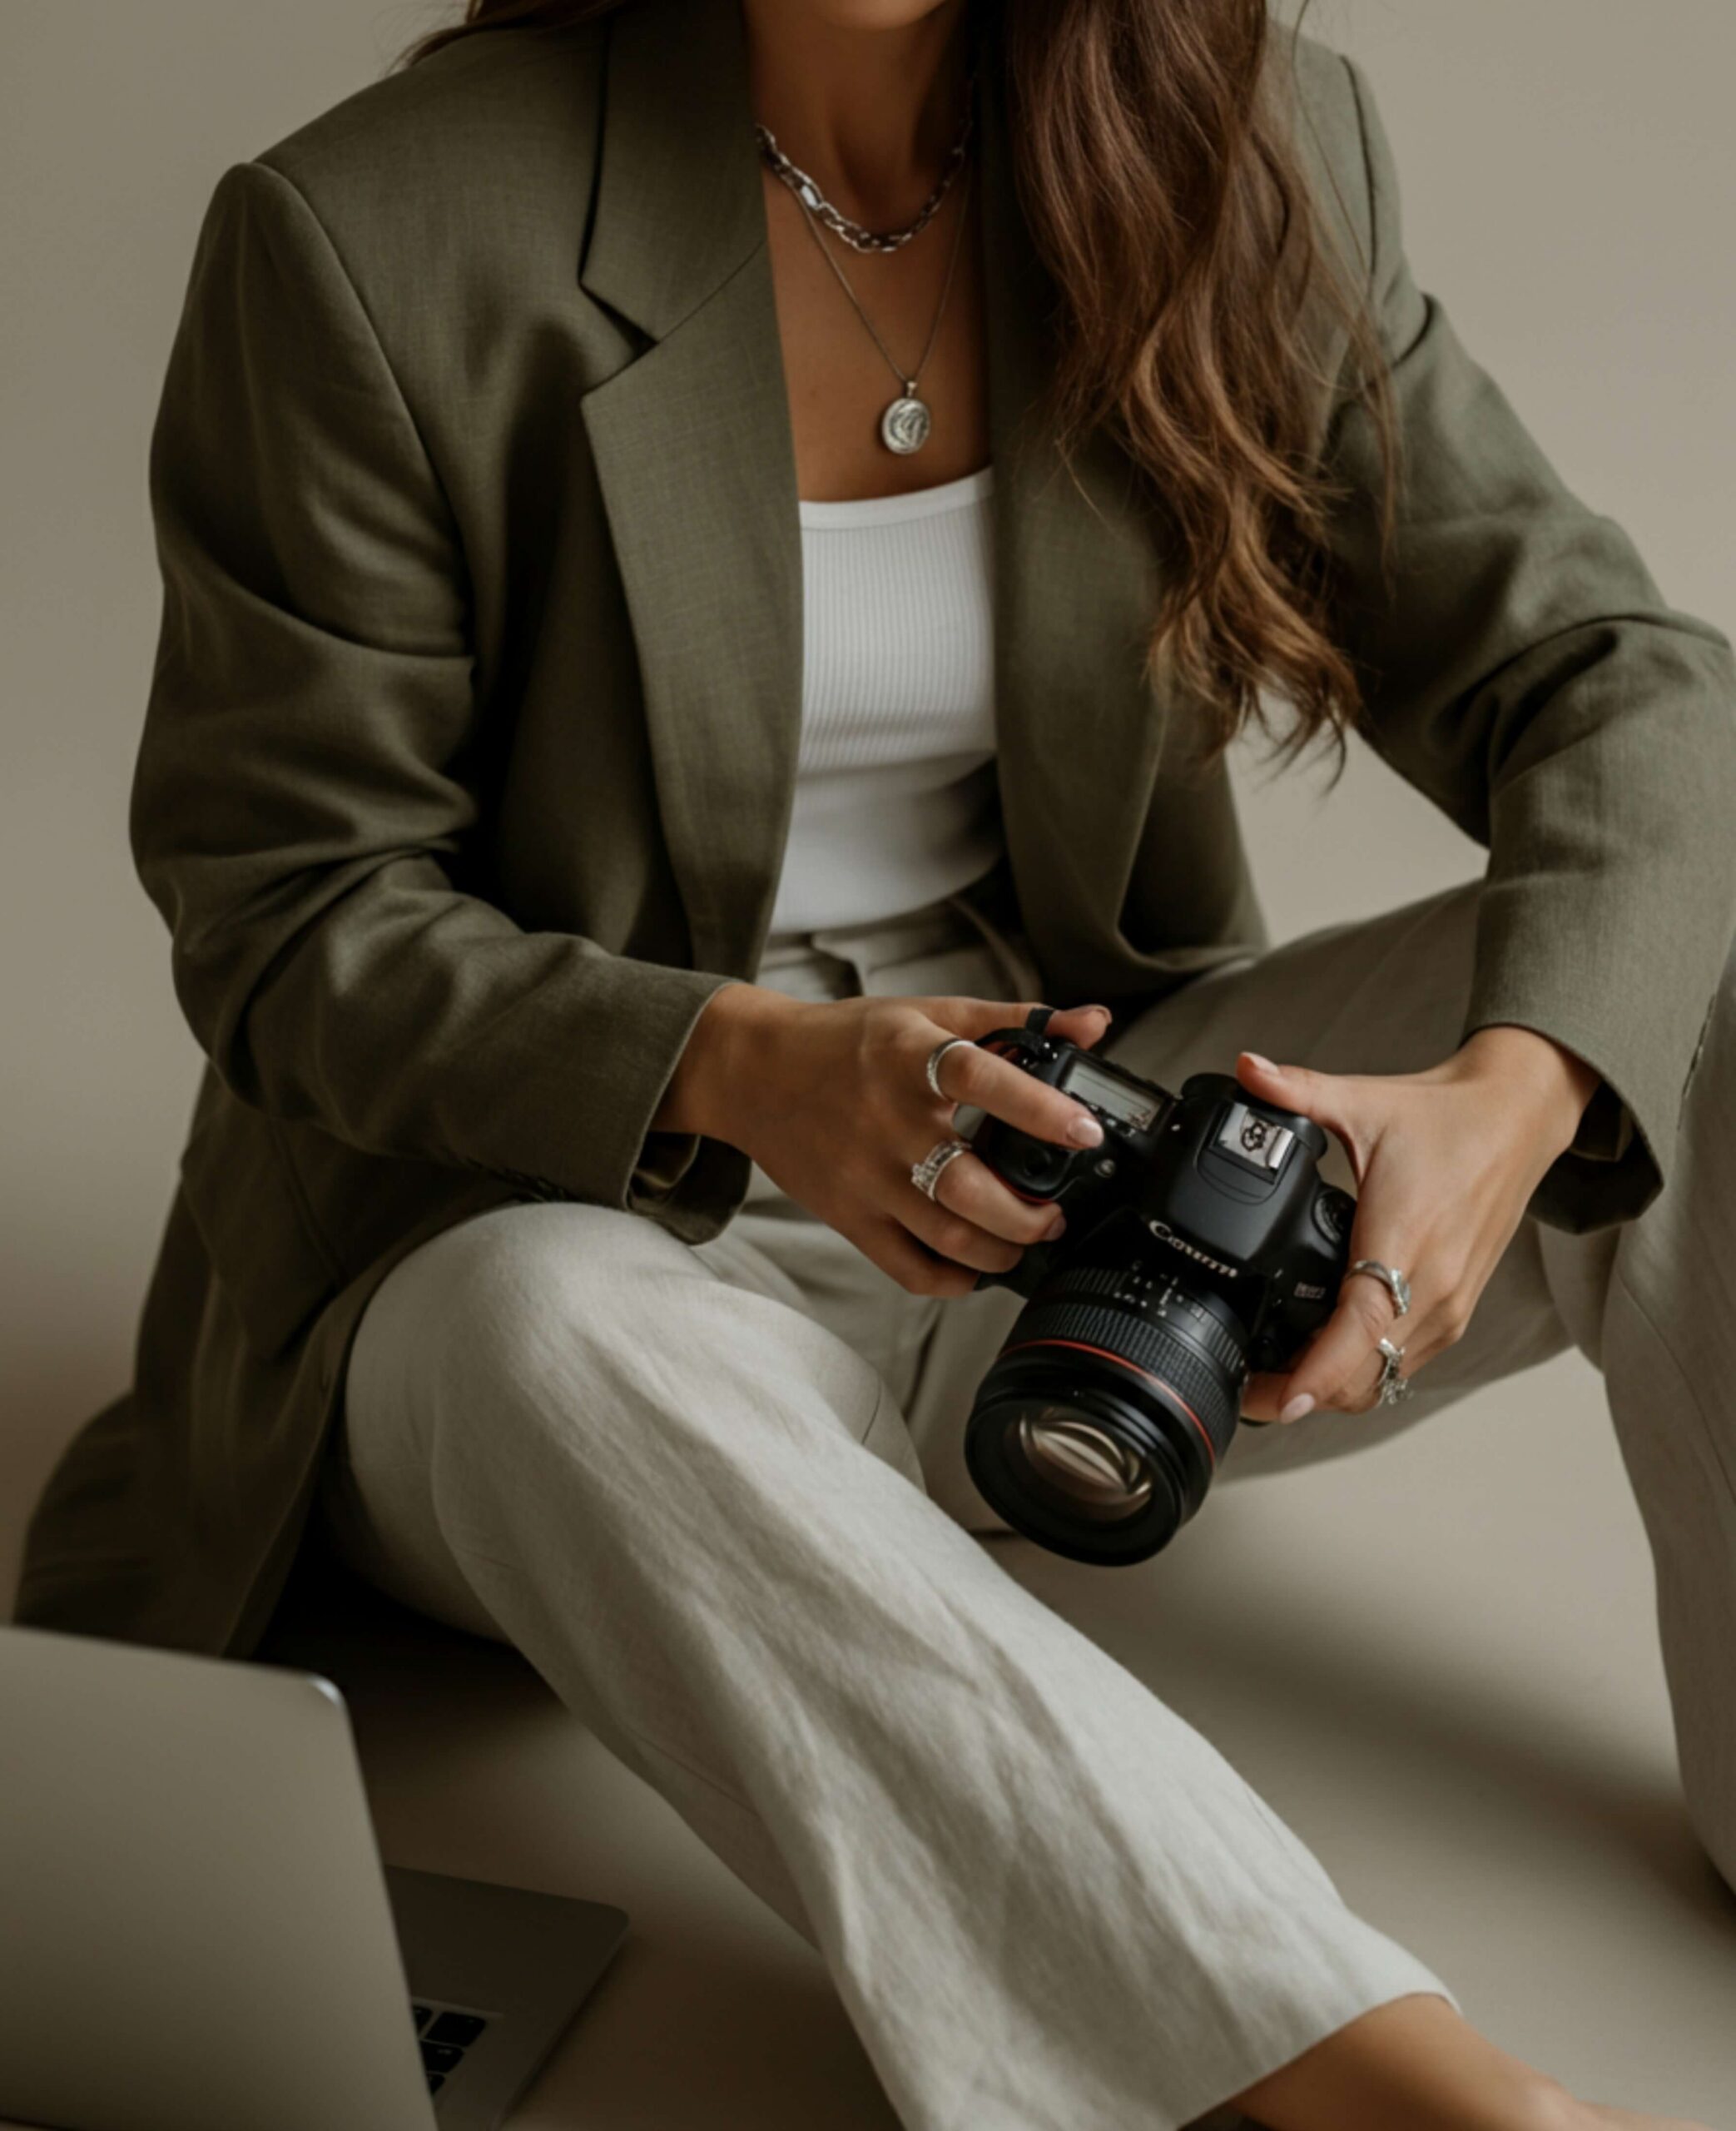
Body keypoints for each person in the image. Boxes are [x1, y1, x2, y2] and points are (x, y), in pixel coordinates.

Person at [17, 0, 1735, 2124]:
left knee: (1670, 964)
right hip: (576, 1223)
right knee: (541, 1333)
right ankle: (1369, 2082)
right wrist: (747, 1069)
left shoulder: (1238, 144)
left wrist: (1516, 1091)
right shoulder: (371, 235)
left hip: (1068, 1186)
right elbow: (288, 915)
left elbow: (1616, 686)